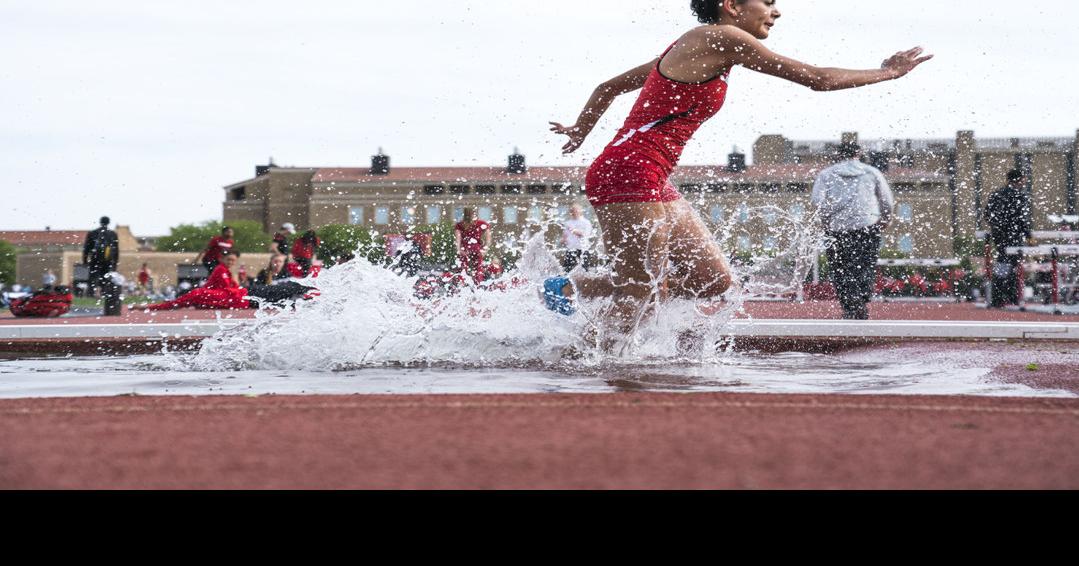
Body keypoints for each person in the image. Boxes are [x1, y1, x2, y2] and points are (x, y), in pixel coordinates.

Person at [546, 0, 931, 340]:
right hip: (629, 170)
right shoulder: (722, 36)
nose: (776, 12)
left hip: (650, 174)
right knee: (642, 293)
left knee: (712, 280)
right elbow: (817, 79)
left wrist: (581, 129)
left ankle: (566, 287)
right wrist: (888, 73)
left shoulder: (696, 45)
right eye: (768, 2)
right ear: (731, 5)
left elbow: (606, 88)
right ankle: (582, 362)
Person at [811, 141, 894, 320]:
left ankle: (849, 304)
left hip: (837, 229)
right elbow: (886, 200)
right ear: (859, 153)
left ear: (838, 155)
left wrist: (826, 220)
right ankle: (861, 299)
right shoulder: (872, 172)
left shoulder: (826, 174)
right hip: (867, 225)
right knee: (865, 265)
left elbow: (817, 201)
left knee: (840, 268)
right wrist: (885, 219)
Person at [985, 169, 1033, 308]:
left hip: (1000, 235)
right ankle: (1012, 297)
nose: (1024, 182)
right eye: (1022, 179)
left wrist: (997, 227)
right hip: (1014, 235)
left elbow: (987, 214)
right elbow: (1021, 218)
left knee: (1003, 263)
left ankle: (998, 297)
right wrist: (1028, 235)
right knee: (1014, 265)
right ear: (1018, 180)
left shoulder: (996, 194)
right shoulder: (1019, 196)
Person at [82, 216, 120, 299]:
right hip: (107, 260)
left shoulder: (92, 233)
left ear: (100, 222)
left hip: (95, 259)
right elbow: (116, 251)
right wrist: (114, 264)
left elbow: (86, 249)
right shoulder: (112, 234)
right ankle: (104, 293)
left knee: (93, 276)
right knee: (105, 277)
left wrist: (85, 261)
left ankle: (92, 293)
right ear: (108, 222)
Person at [454, 207, 491, 278]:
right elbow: (488, 238)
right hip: (477, 249)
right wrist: (485, 250)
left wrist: (459, 250)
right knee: (478, 270)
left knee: (462, 269)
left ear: (464, 214)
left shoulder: (459, 225)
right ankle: (478, 282)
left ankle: (461, 282)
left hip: (465, 249)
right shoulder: (481, 223)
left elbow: (458, 239)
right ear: (474, 213)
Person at [561, 204, 595, 273]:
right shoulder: (568, 223)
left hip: (583, 248)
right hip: (571, 248)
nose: (574, 212)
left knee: (584, 269)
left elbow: (586, 234)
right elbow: (565, 235)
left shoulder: (586, 222)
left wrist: (574, 231)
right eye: (572, 210)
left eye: (576, 210)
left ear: (580, 211)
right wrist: (563, 240)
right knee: (567, 269)